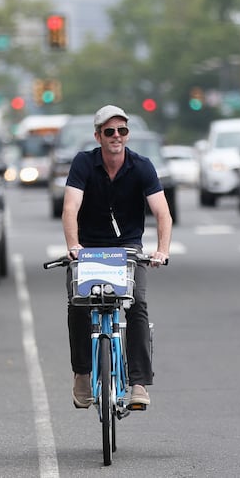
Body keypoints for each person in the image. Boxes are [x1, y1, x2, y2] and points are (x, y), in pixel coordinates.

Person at [62, 104, 173, 409]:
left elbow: (162, 213)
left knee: (137, 305)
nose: (116, 137)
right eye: (109, 131)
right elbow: (70, 207)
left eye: (122, 131)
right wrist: (74, 246)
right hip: (89, 250)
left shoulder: (142, 166)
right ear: (98, 136)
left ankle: (138, 384)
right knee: (78, 305)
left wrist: (162, 250)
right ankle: (83, 375)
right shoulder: (83, 164)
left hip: (128, 251)